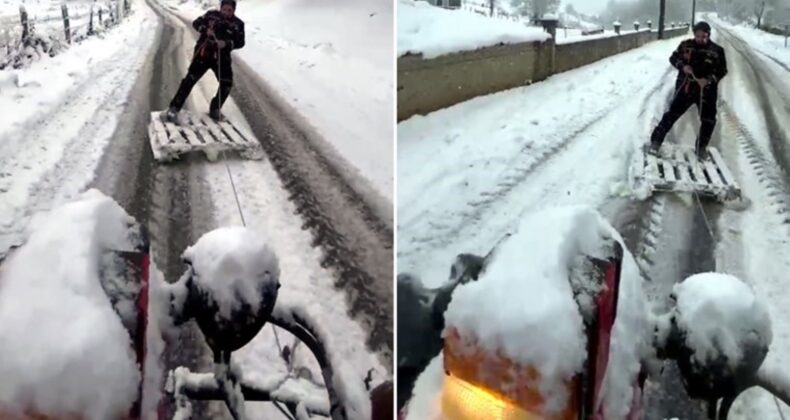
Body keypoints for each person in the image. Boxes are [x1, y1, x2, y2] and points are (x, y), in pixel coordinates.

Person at [649, 21, 727, 159]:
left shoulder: (717, 51)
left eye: (704, 36)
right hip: (687, 87)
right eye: (698, 36)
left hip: (706, 91)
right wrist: (682, 66)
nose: (701, 39)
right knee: (672, 114)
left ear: (709, 35)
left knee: (709, 120)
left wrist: (709, 80)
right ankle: (656, 141)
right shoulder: (685, 46)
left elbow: (722, 71)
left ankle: (701, 148)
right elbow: (673, 58)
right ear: (694, 34)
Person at [166, 0, 245, 122]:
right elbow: (196, 23)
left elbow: (240, 42)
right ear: (221, 8)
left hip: (222, 58)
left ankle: (215, 109)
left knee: (226, 84)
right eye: (224, 9)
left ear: (233, 11)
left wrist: (226, 43)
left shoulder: (238, 24)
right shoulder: (211, 15)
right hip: (203, 54)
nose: (226, 12)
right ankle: (174, 108)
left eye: (229, 10)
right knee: (189, 80)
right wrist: (204, 29)